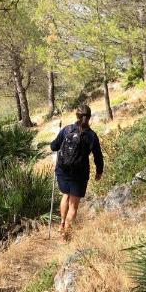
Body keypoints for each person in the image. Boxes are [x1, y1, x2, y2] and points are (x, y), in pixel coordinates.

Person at [50, 103, 104, 240]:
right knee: (73, 205)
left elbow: (54, 146)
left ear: (77, 116)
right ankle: (65, 235)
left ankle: (62, 225)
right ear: (89, 117)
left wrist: (55, 143)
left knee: (65, 196)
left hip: (62, 170)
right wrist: (99, 171)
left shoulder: (66, 130)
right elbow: (98, 156)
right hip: (79, 174)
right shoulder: (91, 136)